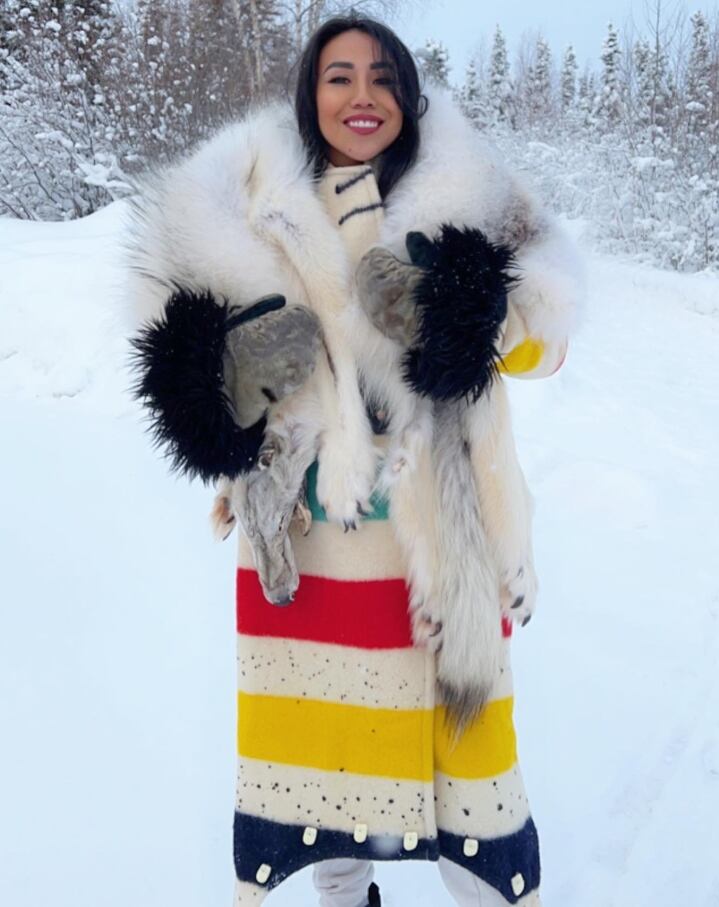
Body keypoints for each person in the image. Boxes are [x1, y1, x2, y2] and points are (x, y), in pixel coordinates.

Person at [127, 14, 582, 907]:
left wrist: (477, 316)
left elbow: (551, 336)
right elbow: (175, 349)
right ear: (309, 94)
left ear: (409, 96)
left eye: (382, 77)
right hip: (315, 540)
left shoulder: (475, 194)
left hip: (442, 542)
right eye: (338, 76)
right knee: (326, 765)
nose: (362, 95)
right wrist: (230, 378)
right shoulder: (241, 200)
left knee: (473, 781)